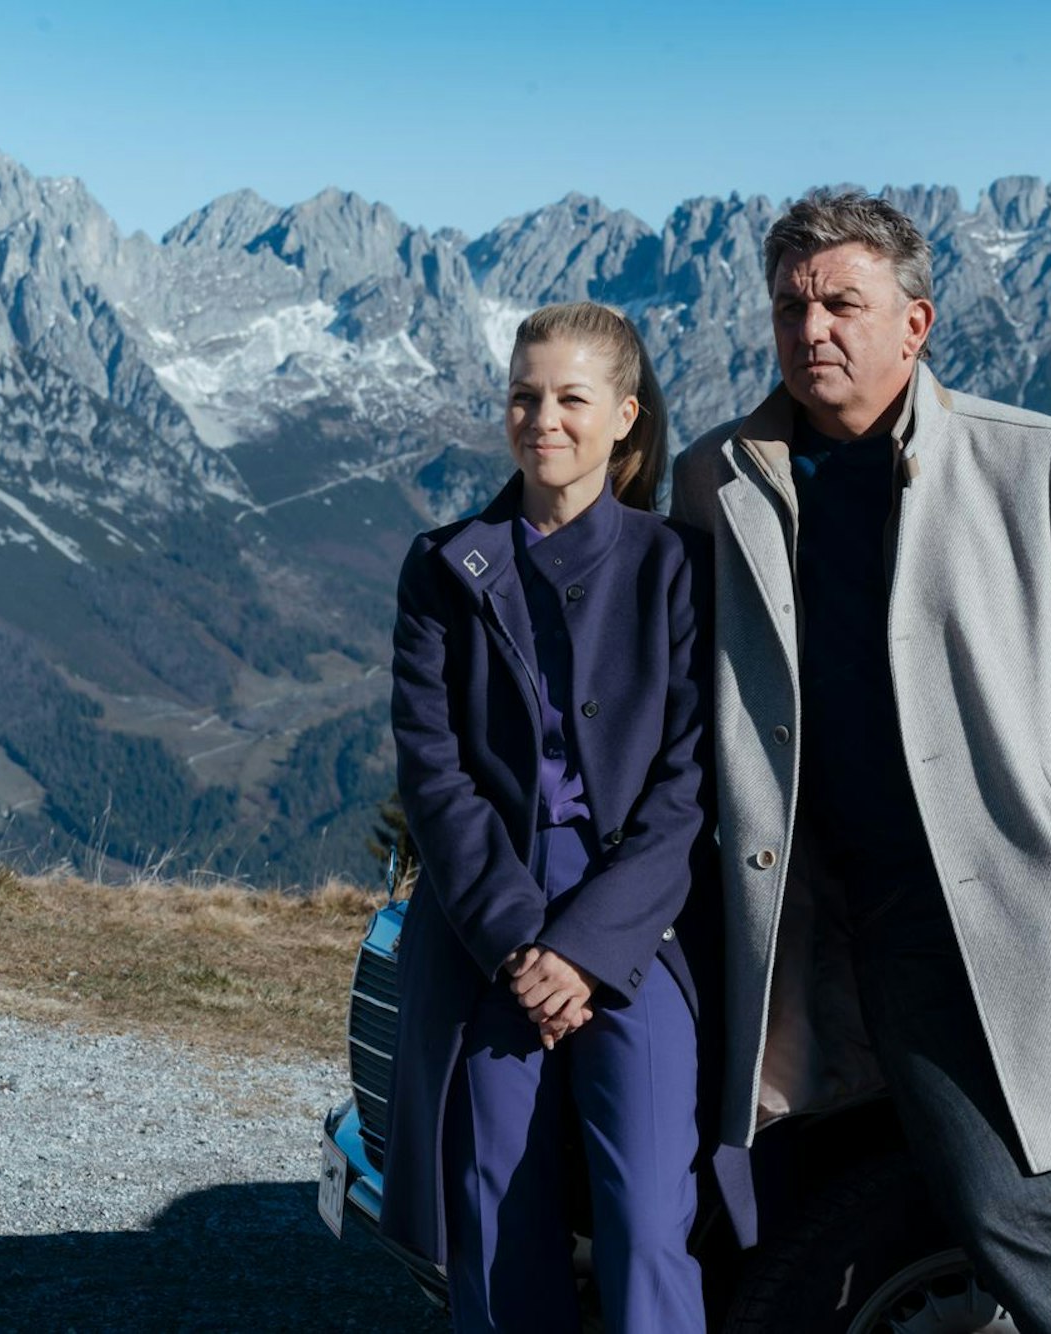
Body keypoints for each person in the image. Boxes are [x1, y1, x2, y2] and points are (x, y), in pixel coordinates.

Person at [671, 191, 1051, 1333]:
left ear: (914, 323)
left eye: (843, 302)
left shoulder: (1029, 458)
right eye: (791, 305)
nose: (812, 328)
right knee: (998, 1208)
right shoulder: (715, 480)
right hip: (891, 920)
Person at [382, 302, 713, 1333]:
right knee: (494, 1210)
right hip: (493, 919)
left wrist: (581, 949)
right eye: (524, 395)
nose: (543, 419)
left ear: (624, 416)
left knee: (649, 1213)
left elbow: (687, 786)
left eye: (571, 397)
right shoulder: (442, 567)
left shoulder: (678, 566)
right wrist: (524, 945)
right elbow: (435, 779)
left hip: (637, 922)